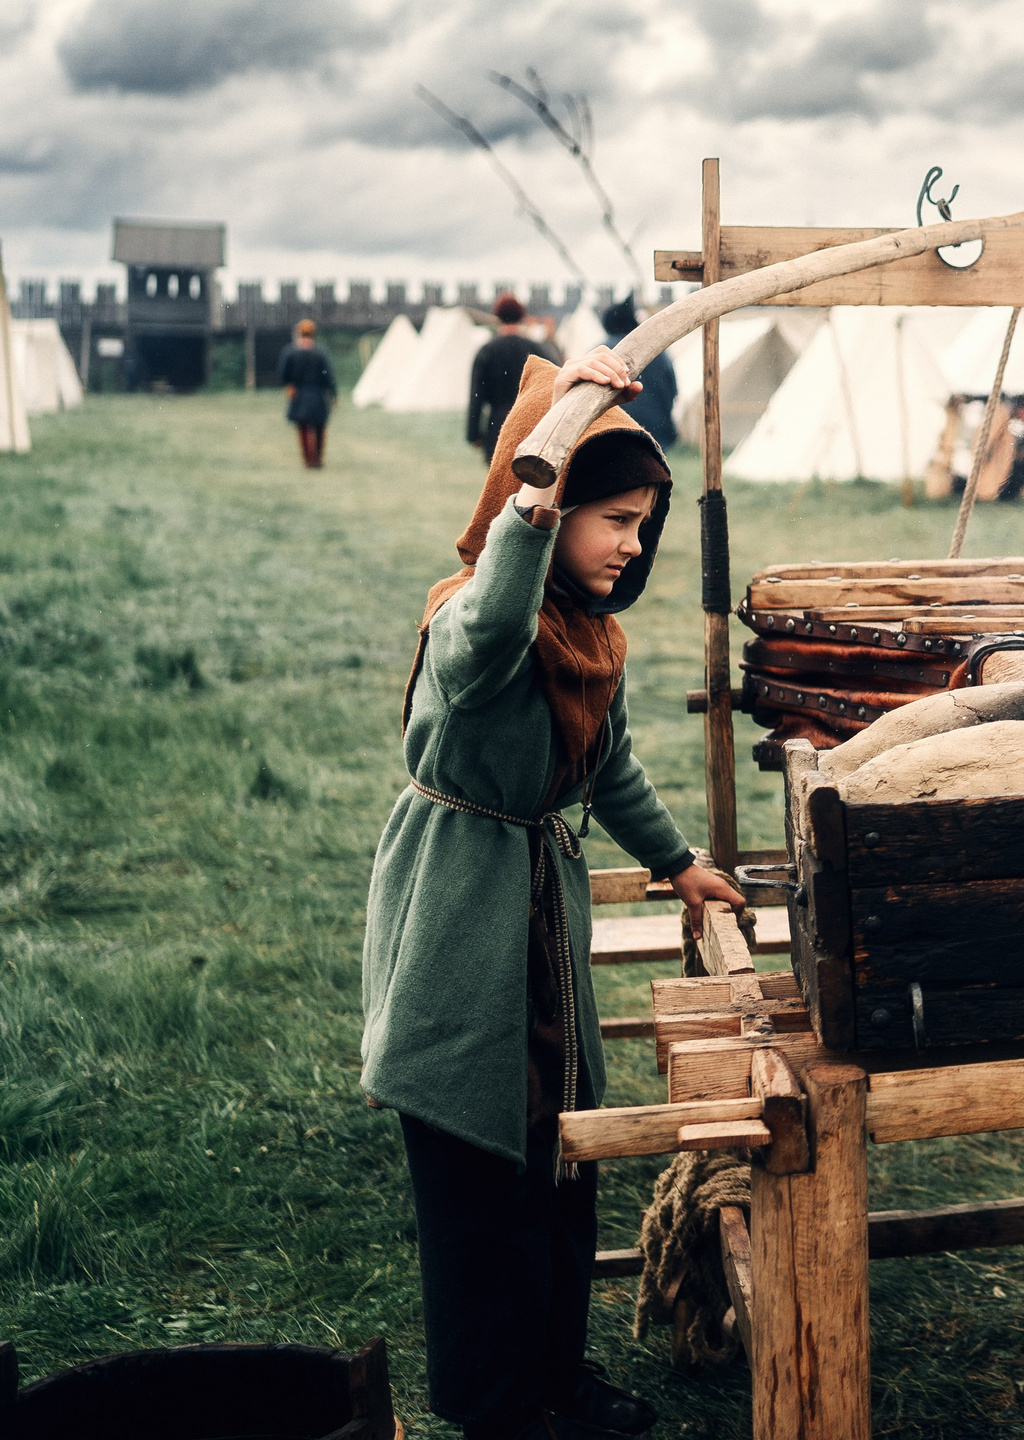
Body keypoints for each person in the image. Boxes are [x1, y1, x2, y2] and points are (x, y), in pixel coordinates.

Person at [363, 346, 744, 1439]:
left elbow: (609, 767)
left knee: (559, 1159)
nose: (631, 545)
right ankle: (493, 1401)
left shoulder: (591, 639)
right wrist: (531, 497)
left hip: (540, 916)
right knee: (479, 1176)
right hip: (461, 915)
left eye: (640, 524)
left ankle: (554, 1375)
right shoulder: (474, 627)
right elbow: (494, 615)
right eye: (611, 518)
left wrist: (677, 863)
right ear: (550, 511)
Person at [467, 294, 562, 462]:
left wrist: (473, 434)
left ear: (497, 317)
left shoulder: (487, 351)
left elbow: (477, 396)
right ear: (521, 316)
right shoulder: (535, 349)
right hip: (530, 425)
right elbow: (554, 381)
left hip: (498, 425)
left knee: (498, 484)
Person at [599, 296, 680, 451]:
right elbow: (673, 390)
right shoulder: (658, 351)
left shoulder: (602, 351)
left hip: (617, 432)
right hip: (657, 431)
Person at [278, 318, 337, 468]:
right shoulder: (319, 352)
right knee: (319, 428)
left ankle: (308, 460)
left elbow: (283, 373)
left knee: (303, 428)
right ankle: (317, 460)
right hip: (317, 393)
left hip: (300, 394)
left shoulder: (290, 352)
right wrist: (333, 394)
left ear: (299, 332)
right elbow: (328, 375)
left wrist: (290, 385)